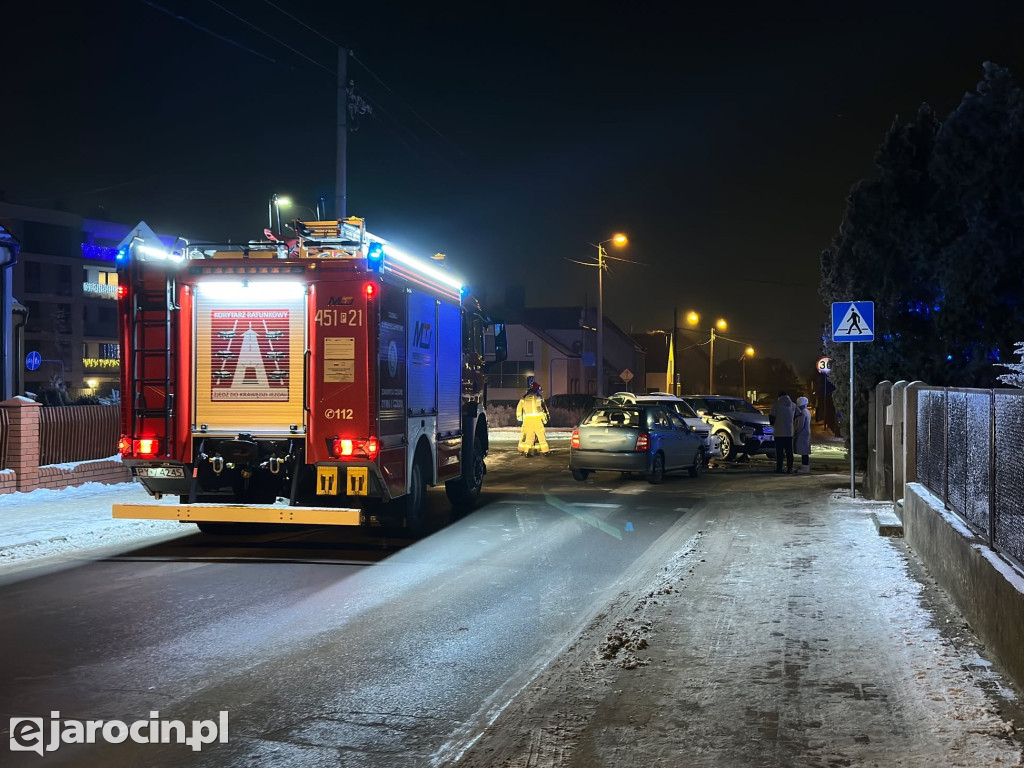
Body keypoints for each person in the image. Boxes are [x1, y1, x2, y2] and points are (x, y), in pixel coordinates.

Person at [516, 382, 550, 457]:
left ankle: (526, 452)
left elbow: (519, 408)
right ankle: (545, 451)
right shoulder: (537, 397)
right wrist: (544, 419)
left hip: (527, 421)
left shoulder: (524, 397)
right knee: (541, 435)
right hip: (536, 420)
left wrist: (519, 418)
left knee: (529, 436)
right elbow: (540, 409)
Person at [769, 390, 796, 474]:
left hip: (779, 432)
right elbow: (797, 414)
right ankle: (790, 468)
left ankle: (779, 468)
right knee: (789, 451)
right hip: (789, 432)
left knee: (779, 452)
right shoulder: (793, 405)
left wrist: (773, 424)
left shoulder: (776, 405)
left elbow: (771, 418)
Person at [793, 396, 811, 474]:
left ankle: (805, 468)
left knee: (804, 452)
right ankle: (805, 467)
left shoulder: (802, 413)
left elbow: (800, 425)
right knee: (805, 452)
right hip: (806, 433)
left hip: (802, 434)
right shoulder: (807, 411)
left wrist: (796, 432)